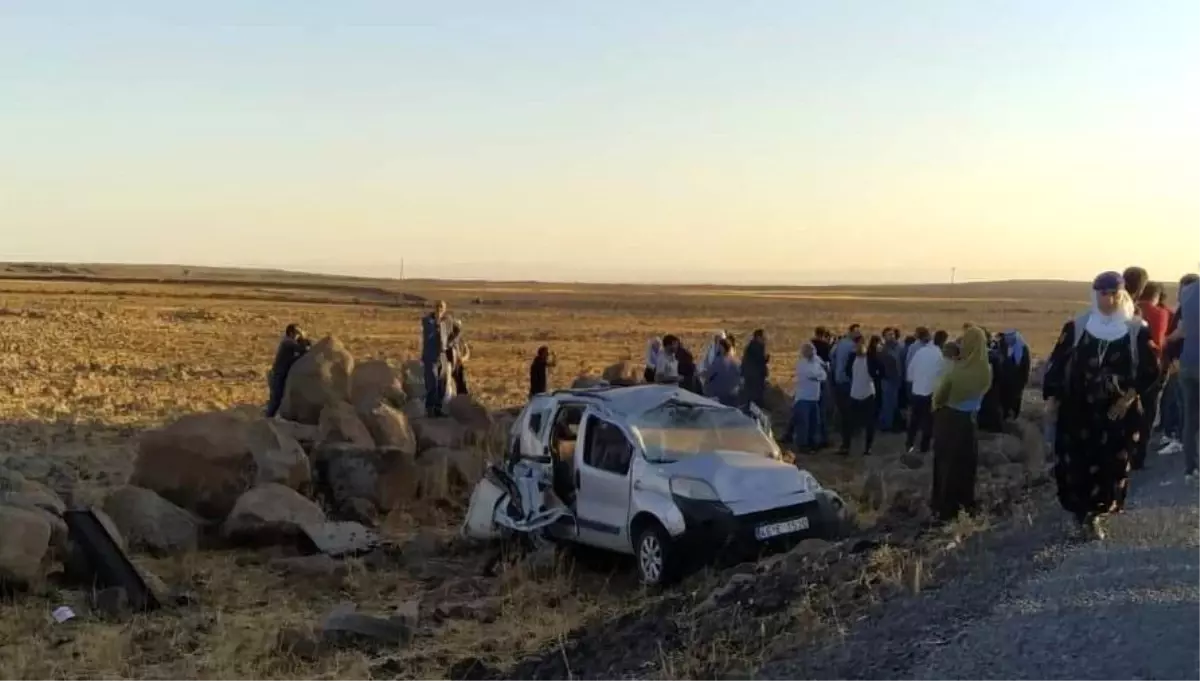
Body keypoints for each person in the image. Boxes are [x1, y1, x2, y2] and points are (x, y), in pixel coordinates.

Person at [1044, 272, 1159, 539]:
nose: (1108, 300)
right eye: (1103, 294)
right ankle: (1078, 515)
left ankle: (1097, 515)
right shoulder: (1078, 326)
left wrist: (1128, 397)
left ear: (1122, 295)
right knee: (1075, 463)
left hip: (1116, 413)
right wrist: (1052, 398)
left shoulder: (1135, 330)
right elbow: (1058, 362)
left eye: (1113, 294)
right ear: (1095, 295)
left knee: (1111, 465)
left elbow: (1150, 369)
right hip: (1077, 409)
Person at [929, 326, 992, 522]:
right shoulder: (986, 371)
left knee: (946, 464)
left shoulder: (956, 372)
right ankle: (965, 504)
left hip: (948, 420)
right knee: (966, 464)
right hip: (969, 421)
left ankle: (944, 507)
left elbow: (938, 397)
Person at [1159, 274, 1200, 454]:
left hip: (1184, 361)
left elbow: (1182, 332)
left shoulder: (1187, 307)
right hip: (1185, 360)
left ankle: (1180, 441)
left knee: (1183, 404)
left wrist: (1166, 341)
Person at [1132, 282, 1170, 469]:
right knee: (1148, 411)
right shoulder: (1161, 314)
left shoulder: (1130, 308)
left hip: (1127, 367)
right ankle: (1140, 455)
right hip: (1151, 369)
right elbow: (1159, 341)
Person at [840, 334, 882, 456]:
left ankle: (849, 446)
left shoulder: (861, 359)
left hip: (859, 392)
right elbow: (878, 373)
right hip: (865, 392)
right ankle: (864, 447)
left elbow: (848, 372)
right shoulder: (870, 358)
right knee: (867, 423)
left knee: (852, 422)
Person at [905, 328, 945, 454]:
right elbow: (941, 377)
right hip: (930, 393)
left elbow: (910, 373)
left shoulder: (920, 352)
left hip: (917, 391)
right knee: (928, 421)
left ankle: (909, 444)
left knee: (914, 420)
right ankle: (924, 447)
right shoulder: (939, 356)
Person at [266, 323, 308, 417]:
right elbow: (302, 350)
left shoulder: (289, 342)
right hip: (279, 375)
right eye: (297, 332)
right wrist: (304, 338)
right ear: (291, 333)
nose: (298, 335)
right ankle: (267, 421)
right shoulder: (288, 342)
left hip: (282, 374)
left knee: (280, 399)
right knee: (276, 399)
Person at [792, 342, 828, 453]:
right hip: (803, 398)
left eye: (812, 350)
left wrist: (818, 375)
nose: (812, 353)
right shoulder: (802, 364)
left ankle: (812, 443)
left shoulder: (816, 361)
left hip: (814, 398)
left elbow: (823, 375)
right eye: (809, 351)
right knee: (804, 424)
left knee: (814, 422)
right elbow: (812, 374)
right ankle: (802, 445)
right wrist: (818, 375)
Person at [421, 300, 454, 417]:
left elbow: (450, 336)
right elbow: (429, 333)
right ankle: (430, 408)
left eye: (442, 307)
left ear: (445, 309)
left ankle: (438, 408)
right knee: (432, 382)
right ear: (434, 308)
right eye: (438, 307)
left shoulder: (447, 322)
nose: (440, 309)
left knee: (442, 384)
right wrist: (439, 323)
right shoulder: (427, 321)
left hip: (442, 357)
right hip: (431, 357)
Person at [831, 325, 861, 430]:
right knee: (848, 406)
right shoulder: (853, 346)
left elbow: (832, 356)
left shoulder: (840, 343)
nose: (858, 334)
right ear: (851, 332)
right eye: (856, 332)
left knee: (840, 404)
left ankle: (838, 426)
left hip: (838, 377)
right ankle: (848, 428)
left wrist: (835, 369)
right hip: (847, 379)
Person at [999, 330, 1031, 419]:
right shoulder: (1002, 345)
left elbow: (1026, 368)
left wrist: (1022, 383)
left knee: (1014, 402)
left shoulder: (1023, 349)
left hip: (1016, 383)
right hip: (1003, 383)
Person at [877, 329, 903, 432]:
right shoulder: (883, 350)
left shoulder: (899, 348)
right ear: (884, 337)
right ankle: (886, 425)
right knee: (887, 403)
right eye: (889, 335)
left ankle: (891, 423)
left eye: (892, 334)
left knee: (893, 403)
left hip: (896, 379)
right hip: (887, 379)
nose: (892, 336)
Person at [704, 338, 741, 407]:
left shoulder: (718, 361)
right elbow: (740, 377)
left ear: (722, 348)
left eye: (719, 347)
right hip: (732, 395)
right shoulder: (736, 361)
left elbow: (709, 376)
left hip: (718, 396)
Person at [741, 329, 770, 408]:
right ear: (758, 337)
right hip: (755, 377)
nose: (764, 339)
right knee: (756, 396)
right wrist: (765, 359)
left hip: (752, 376)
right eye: (763, 337)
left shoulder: (752, 346)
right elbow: (759, 361)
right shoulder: (756, 346)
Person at [447, 320, 470, 396]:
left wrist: (462, 359)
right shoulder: (448, 339)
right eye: (455, 328)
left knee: (462, 386)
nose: (457, 330)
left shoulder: (461, 340)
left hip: (458, 366)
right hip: (449, 366)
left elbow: (467, 352)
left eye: (458, 328)